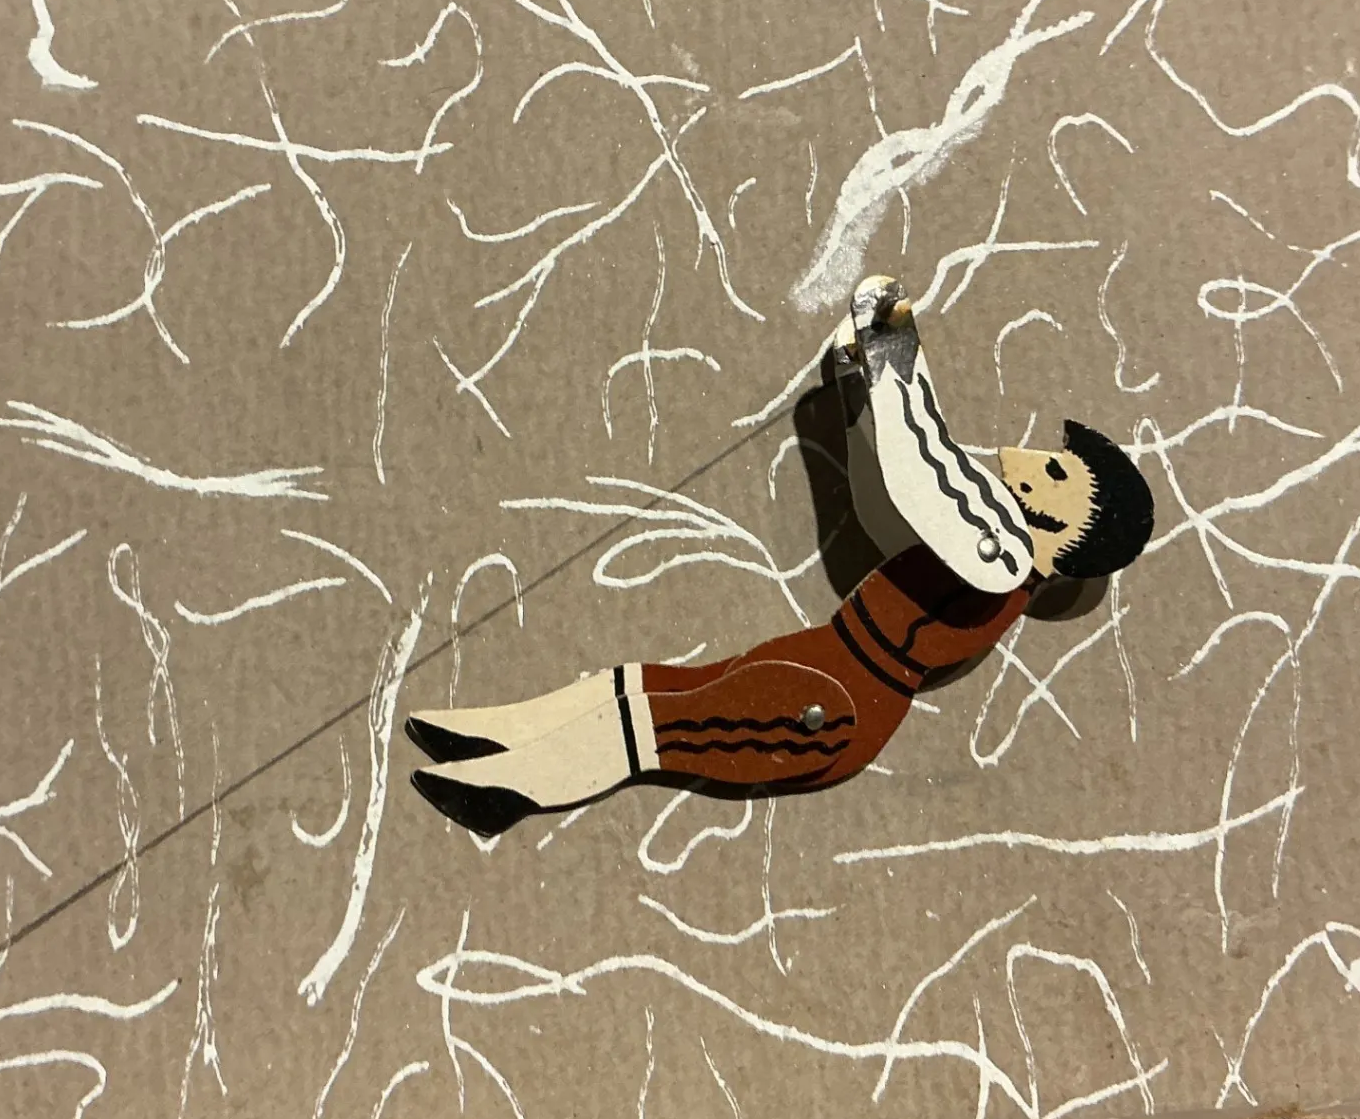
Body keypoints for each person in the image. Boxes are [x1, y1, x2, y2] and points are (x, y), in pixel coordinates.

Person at [407, 275, 1155, 838]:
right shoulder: (980, 553)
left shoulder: (999, 555)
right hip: (827, 660)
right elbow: (887, 503)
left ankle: (505, 789)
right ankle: (497, 738)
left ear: (1069, 530)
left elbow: (929, 476)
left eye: (1054, 474)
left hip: (835, 700)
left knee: (661, 726)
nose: (1025, 459)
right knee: (652, 687)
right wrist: (861, 386)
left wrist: (894, 356)